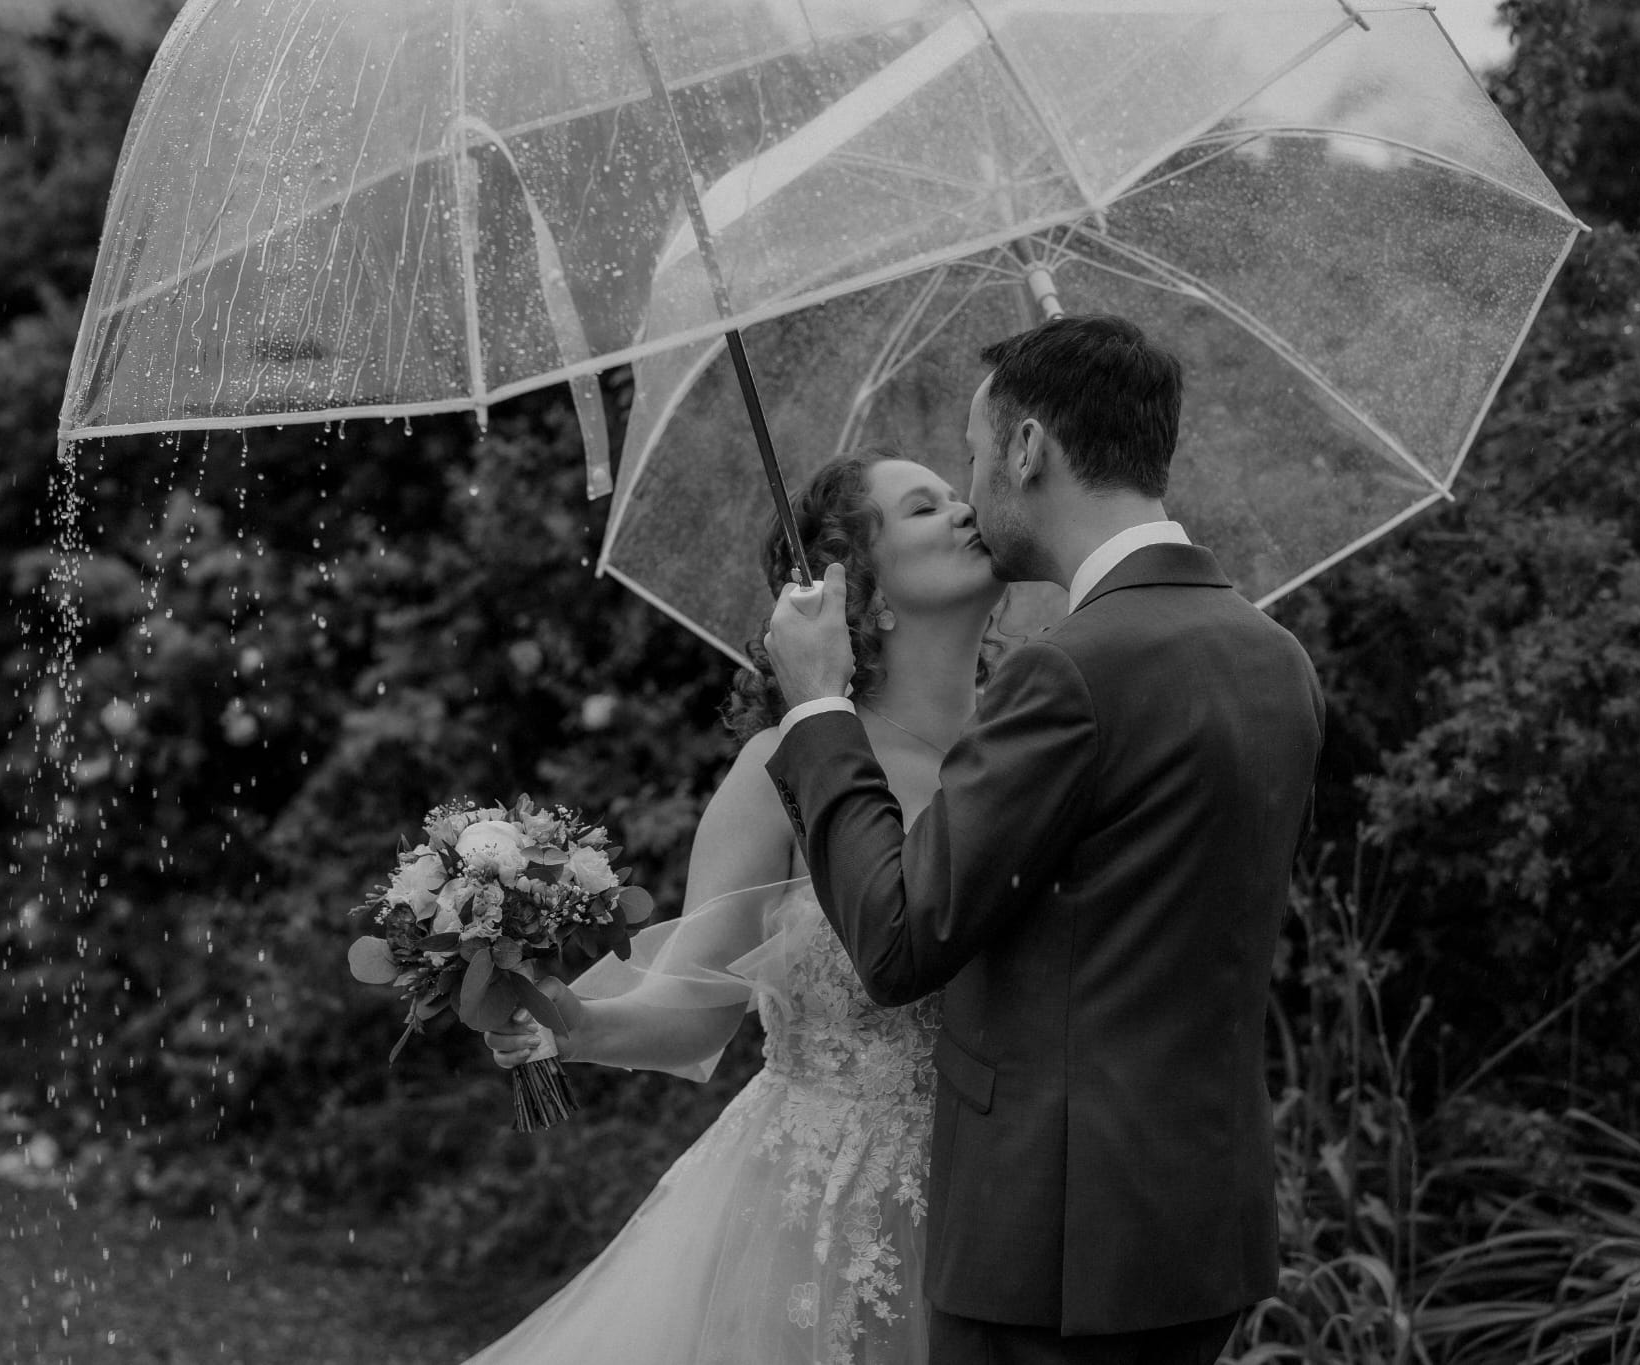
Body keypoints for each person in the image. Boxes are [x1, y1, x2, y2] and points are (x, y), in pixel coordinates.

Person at [762, 314, 1326, 1365]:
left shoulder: (1067, 671)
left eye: (974, 455)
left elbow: (896, 939)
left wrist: (814, 710)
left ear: (1027, 450)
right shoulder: (1271, 655)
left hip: (1050, 1255)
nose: (973, 490)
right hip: (1199, 1236)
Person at [461, 447, 1006, 1365]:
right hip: (820, 1221)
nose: (967, 509)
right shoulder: (782, 768)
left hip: (1000, 1205)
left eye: (960, 494)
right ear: (860, 593)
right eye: (926, 507)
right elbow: (694, 1006)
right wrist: (569, 1022)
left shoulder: (1034, 742)